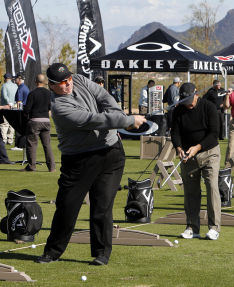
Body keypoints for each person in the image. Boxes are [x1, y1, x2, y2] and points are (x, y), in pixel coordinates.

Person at [36, 63, 146, 265]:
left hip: (110, 153)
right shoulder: (60, 108)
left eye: (68, 79)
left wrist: (121, 116)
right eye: (61, 83)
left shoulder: (78, 79)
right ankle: (52, 251)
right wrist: (127, 120)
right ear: (51, 85)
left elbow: (104, 97)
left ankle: (102, 253)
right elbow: (94, 119)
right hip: (79, 160)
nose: (68, 84)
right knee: (67, 206)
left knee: (102, 205)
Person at [171, 82, 221, 240]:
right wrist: (178, 147)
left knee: (212, 187)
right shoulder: (178, 110)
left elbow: (214, 133)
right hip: (188, 155)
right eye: (185, 101)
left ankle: (214, 228)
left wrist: (197, 147)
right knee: (191, 192)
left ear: (196, 95)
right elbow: (175, 132)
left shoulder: (209, 107)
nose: (188, 104)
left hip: (209, 153)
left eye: (190, 100)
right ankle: (192, 227)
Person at [22, 74, 55, 172]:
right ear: (44, 82)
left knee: (32, 144)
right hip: (46, 121)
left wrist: (26, 116)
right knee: (47, 145)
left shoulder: (32, 93)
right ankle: (51, 167)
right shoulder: (49, 93)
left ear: (36, 82)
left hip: (35, 121)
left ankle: (32, 166)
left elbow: (27, 109)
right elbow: (50, 107)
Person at [1, 73, 17, 145]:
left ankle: (4, 140)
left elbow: (4, 96)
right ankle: (10, 140)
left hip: (6, 106)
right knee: (12, 124)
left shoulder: (4, 86)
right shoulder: (15, 85)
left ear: (5, 78)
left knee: (4, 124)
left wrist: (9, 103)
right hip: (14, 106)